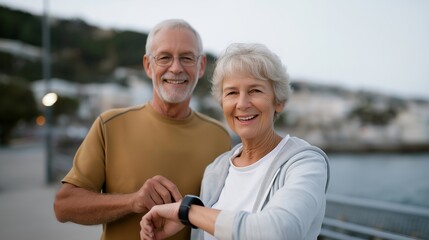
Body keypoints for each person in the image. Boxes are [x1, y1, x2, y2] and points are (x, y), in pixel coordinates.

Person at [53, 19, 232, 240]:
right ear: (148, 65)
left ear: (201, 66)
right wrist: (133, 200)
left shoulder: (220, 137)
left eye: (186, 58)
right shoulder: (109, 125)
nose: (176, 68)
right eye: (164, 57)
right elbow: (64, 205)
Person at [139, 43, 330, 240]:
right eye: (231, 93)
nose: (242, 103)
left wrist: (188, 211)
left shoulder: (306, 163)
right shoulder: (216, 170)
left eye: (255, 90)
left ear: (278, 101)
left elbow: (278, 232)